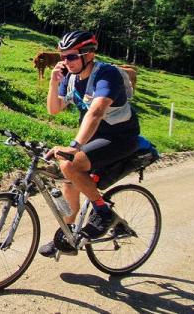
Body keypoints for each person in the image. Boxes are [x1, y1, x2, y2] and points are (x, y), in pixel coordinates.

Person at [40, 30, 140, 258]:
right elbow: (53, 109)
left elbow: (96, 112)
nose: (66, 61)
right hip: (94, 138)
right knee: (68, 182)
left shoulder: (106, 74)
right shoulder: (71, 77)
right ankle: (66, 234)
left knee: (70, 165)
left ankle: (103, 213)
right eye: (63, 57)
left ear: (89, 54)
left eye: (71, 56)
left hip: (120, 137)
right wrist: (54, 83)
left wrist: (74, 147)